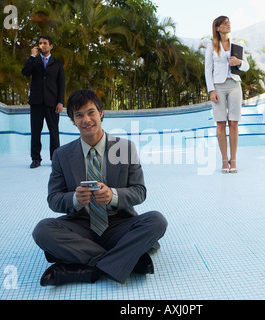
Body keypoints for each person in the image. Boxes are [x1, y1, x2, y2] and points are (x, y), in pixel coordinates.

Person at [32, 89, 168, 286]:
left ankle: (81, 269)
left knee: (157, 220)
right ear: (73, 120)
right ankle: (129, 260)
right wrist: (74, 199)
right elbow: (53, 199)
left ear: (101, 113)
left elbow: (140, 191)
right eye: (79, 115)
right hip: (82, 225)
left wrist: (113, 195)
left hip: (118, 224)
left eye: (91, 112)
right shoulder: (62, 155)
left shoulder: (125, 148)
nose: (86, 119)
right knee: (42, 230)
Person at [205, 16, 250, 174]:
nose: (228, 24)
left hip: (234, 85)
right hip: (218, 86)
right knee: (220, 124)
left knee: (234, 123)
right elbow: (207, 69)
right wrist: (211, 90)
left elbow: (246, 66)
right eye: (224, 23)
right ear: (217, 27)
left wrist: (238, 62)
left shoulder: (237, 45)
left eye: (229, 22)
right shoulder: (211, 47)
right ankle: (224, 159)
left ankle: (234, 159)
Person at [22, 35, 65, 169]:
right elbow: (25, 73)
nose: (42, 46)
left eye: (45, 43)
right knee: (35, 131)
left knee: (54, 131)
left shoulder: (57, 63)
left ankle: (55, 158)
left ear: (51, 46)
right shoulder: (34, 61)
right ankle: (35, 158)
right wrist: (32, 57)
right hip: (36, 102)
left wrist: (60, 102)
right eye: (40, 43)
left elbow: (61, 84)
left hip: (52, 103)